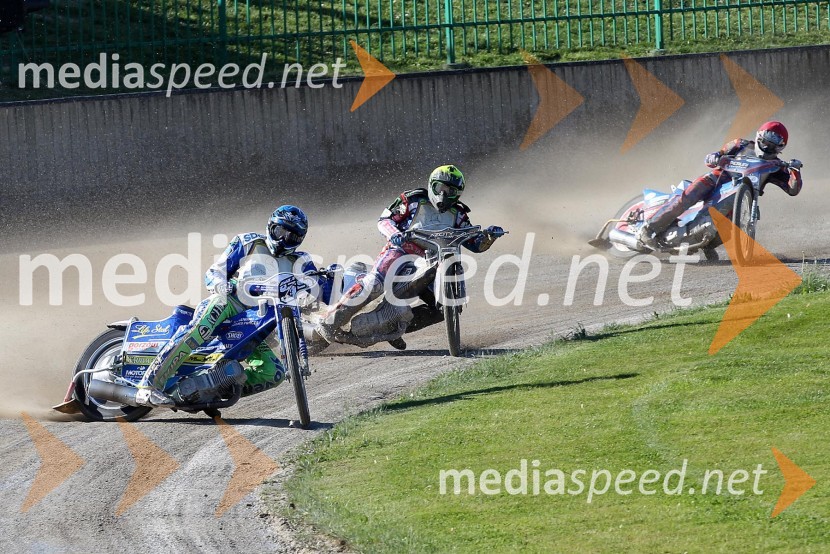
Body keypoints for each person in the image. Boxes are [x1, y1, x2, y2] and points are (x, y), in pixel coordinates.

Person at [134, 205, 333, 407]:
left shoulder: (301, 259)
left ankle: (210, 389)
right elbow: (213, 273)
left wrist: (332, 278)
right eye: (280, 231)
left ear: (300, 240)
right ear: (271, 227)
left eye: (291, 236)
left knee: (274, 374)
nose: (283, 239)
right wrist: (221, 284)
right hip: (229, 302)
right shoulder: (248, 242)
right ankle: (148, 386)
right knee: (198, 330)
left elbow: (320, 289)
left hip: (256, 319)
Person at [315, 164, 505, 347]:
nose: (443, 194)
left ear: (459, 193)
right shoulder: (413, 200)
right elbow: (385, 219)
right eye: (440, 188)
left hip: (435, 261)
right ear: (432, 185)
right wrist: (394, 234)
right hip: (401, 251)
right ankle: (330, 321)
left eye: (451, 191)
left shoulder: (459, 214)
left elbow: (474, 244)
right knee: (374, 284)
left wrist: (489, 237)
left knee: (443, 310)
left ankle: (391, 327)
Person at [636, 121, 803, 249]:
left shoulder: (777, 166)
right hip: (714, 181)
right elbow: (716, 154)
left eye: (775, 141)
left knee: (729, 230)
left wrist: (795, 171)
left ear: (781, 146)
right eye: (768, 138)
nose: (769, 144)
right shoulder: (741, 144)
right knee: (686, 198)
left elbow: (792, 189)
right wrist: (715, 157)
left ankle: (704, 245)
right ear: (760, 135)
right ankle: (648, 229)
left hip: (741, 200)